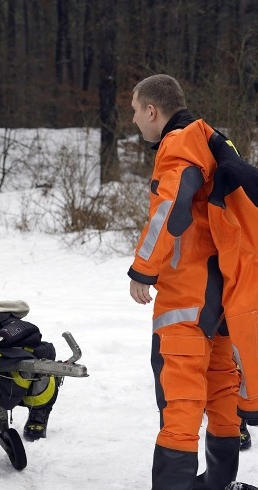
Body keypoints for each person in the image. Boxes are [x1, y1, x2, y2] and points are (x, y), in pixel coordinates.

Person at [128, 74, 242, 489]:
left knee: (180, 401)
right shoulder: (212, 140)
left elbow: (170, 208)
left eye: (136, 111)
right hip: (222, 296)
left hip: (186, 296)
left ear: (153, 110)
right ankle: (218, 484)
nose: (136, 121)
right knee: (221, 394)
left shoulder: (177, 145)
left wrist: (143, 268)